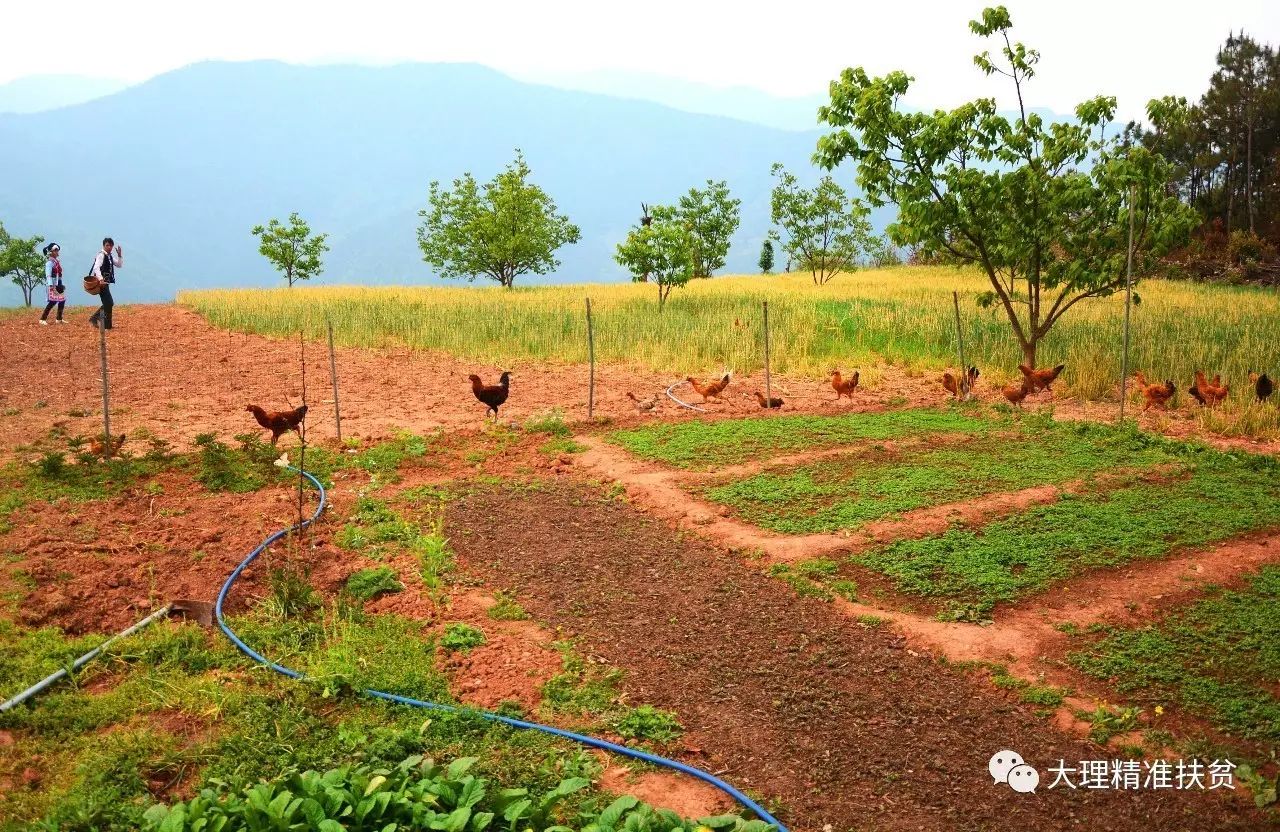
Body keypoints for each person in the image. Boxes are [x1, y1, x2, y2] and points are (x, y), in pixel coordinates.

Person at [87, 237, 123, 330]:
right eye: (107, 245)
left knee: (108, 303)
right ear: (103, 245)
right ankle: (95, 319)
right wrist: (101, 279)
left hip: (106, 283)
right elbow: (96, 267)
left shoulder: (109, 256)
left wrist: (119, 255)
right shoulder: (101, 255)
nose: (109, 247)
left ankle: (107, 325)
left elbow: (119, 265)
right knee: (109, 303)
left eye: (111, 245)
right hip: (101, 283)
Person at [39, 242, 67, 324]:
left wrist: (60, 283)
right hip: (52, 285)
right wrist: (51, 286)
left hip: (58, 284)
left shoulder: (56, 262)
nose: (57, 252)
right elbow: (48, 275)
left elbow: (59, 274)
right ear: (51, 252)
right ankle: (42, 319)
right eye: (55, 250)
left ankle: (59, 319)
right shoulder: (49, 263)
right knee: (53, 302)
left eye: (57, 250)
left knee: (62, 300)